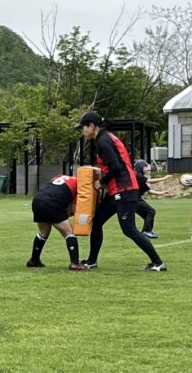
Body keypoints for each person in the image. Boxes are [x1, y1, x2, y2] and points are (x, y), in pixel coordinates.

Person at [75, 112, 166, 272]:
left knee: (129, 229)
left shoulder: (102, 141)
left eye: (83, 127)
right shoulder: (105, 138)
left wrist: (101, 182)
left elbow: (116, 167)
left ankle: (158, 262)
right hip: (116, 190)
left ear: (92, 126)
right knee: (97, 222)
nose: (82, 131)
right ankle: (91, 261)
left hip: (124, 189)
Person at [26, 174, 82, 270]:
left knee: (43, 233)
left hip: (37, 199)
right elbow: (72, 210)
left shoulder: (61, 177)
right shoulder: (79, 186)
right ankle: (75, 263)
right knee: (69, 232)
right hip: (52, 202)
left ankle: (34, 260)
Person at [133, 159, 172, 239]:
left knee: (147, 215)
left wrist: (161, 193)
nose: (147, 169)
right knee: (151, 211)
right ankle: (147, 232)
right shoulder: (137, 175)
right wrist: (163, 178)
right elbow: (150, 181)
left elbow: (149, 191)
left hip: (135, 199)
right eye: (145, 167)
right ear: (140, 167)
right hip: (134, 199)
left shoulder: (140, 178)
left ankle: (146, 232)